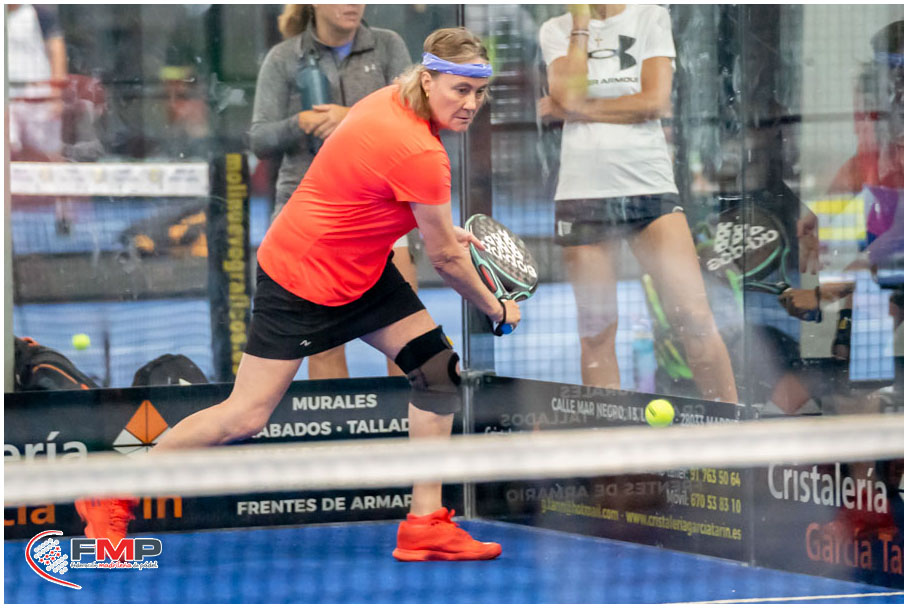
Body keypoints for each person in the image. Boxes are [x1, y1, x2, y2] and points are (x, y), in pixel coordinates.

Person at [75, 27, 518, 562]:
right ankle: (113, 490)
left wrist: (441, 230)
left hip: (360, 270)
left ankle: (424, 524)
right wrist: (496, 308)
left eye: (479, 92)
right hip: (302, 276)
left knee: (436, 371)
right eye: (460, 89)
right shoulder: (422, 151)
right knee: (245, 415)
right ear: (428, 80)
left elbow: (377, 197)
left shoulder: (392, 100)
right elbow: (445, 259)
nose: (471, 103)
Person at [537, 4, 737, 402]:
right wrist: (581, 25)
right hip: (581, 194)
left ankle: (732, 427)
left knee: (695, 318)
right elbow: (567, 93)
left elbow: (654, 102)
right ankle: (606, 439)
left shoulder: (650, 16)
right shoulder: (556, 29)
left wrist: (579, 109)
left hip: (649, 187)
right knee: (596, 332)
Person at [250, 4, 418, 380]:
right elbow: (259, 139)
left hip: (380, 209)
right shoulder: (283, 58)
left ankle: (409, 421)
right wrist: (300, 122)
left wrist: (351, 117)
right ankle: (334, 421)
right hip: (309, 216)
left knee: (407, 339)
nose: (352, 4)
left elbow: (413, 121)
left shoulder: (389, 45)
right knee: (324, 346)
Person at [7, 4, 67, 161]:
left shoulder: (39, 13)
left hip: (38, 93)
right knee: (7, 150)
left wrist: (56, 94)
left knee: (45, 154)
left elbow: (56, 49)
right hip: (7, 95)